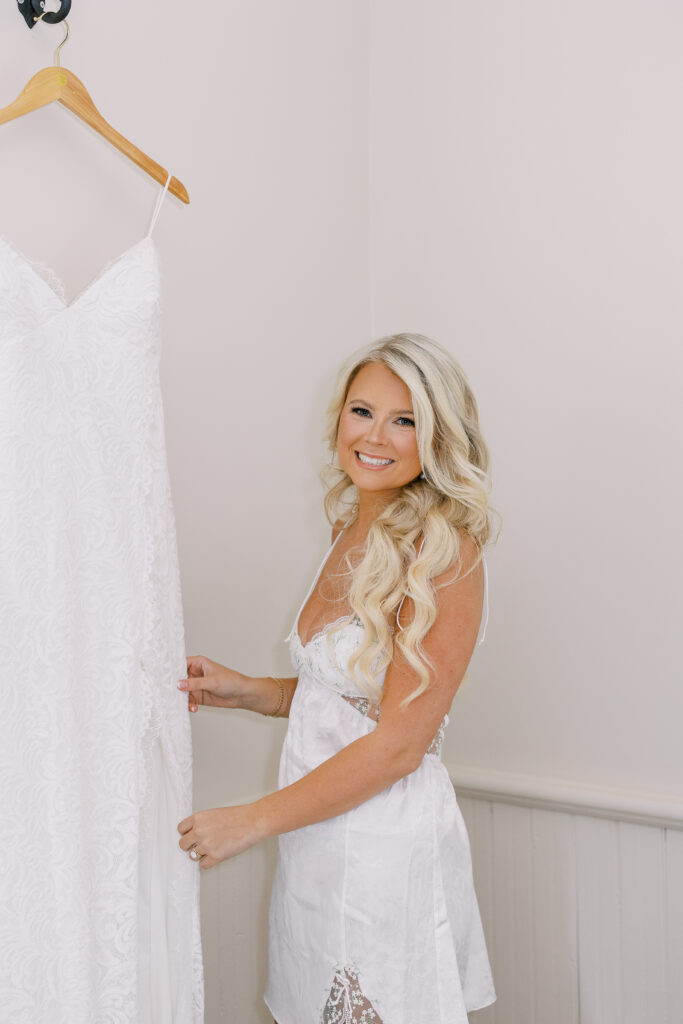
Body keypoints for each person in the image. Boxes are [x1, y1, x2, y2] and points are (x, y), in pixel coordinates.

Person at [177, 333, 497, 1023]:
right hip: (315, 838)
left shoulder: (446, 552)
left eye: (404, 419)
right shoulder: (350, 528)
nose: (375, 435)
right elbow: (345, 699)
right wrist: (250, 691)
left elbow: (398, 744)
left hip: (382, 850)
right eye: (362, 411)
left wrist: (248, 821)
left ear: (437, 435)